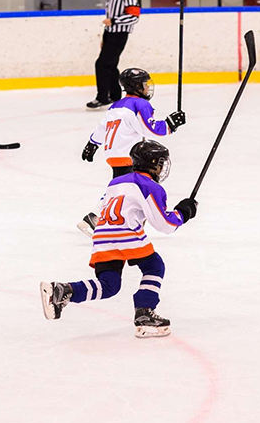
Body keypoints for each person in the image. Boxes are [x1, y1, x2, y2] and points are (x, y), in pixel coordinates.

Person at [41, 140, 198, 338]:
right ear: (154, 164)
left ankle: (64, 290)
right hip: (125, 234)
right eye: (161, 163)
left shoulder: (116, 182)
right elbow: (164, 224)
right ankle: (145, 310)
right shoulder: (149, 186)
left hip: (102, 236)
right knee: (154, 265)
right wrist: (183, 212)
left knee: (110, 284)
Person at [77, 67, 186, 236]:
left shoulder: (115, 106)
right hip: (128, 154)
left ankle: (114, 217)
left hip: (114, 152)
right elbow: (149, 128)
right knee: (124, 188)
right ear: (136, 87)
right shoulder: (139, 104)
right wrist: (170, 125)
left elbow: (102, 127)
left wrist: (92, 143)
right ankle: (96, 218)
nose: (148, 88)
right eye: (145, 84)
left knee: (122, 185)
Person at [86, 0, 140, 110]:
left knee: (101, 64)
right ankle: (115, 95)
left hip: (120, 35)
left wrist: (115, 21)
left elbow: (134, 16)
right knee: (110, 65)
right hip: (110, 34)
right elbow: (110, 17)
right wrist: (105, 37)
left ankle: (102, 97)